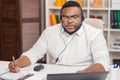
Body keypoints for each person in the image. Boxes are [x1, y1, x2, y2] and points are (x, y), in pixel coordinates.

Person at [8, 1, 110, 73]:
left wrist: (83, 74)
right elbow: (34, 53)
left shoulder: (95, 34)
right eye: (65, 17)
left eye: (74, 17)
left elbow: (103, 62)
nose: (69, 21)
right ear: (60, 19)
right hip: (56, 73)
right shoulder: (50, 32)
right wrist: (17, 63)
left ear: (82, 18)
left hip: (84, 73)